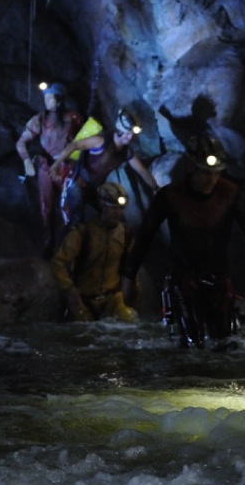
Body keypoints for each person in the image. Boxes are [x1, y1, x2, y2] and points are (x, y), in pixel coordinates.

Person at [120, 134, 245, 349]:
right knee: (193, 343)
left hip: (219, 280)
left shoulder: (229, 194)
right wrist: (129, 277)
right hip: (184, 280)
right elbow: (145, 236)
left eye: (216, 173)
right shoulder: (171, 196)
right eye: (205, 172)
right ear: (191, 167)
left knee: (227, 344)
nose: (211, 180)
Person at [51, 108, 159, 226]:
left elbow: (142, 171)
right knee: (76, 220)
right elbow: (75, 145)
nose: (129, 137)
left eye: (132, 135)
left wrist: (156, 188)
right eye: (127, 134)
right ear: (119, 130)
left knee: (113, 218)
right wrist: (56, 165)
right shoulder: (101, 141)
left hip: (95, 187)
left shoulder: (125, 152)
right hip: (78, 181)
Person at [50, 182, 138, 323]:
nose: (118, 213)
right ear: (103, 207)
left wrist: (133, 294)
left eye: (121, 208)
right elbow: (58, 262)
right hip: (84, 298)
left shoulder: (126, 234)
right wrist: (70, 291)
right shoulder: (83, 233)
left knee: (129, 321)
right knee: (83, 328)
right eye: (113, 208)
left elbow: (131, 268)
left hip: (113, 298)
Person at [16, 82, 83, 254]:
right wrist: (26, 160)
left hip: (66, 167)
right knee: (46, 206)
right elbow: (21, 142)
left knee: (67, 206)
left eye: (50, 98)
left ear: (59, 100)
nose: (47, 101)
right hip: (46, 166)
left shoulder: (73, 117)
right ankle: (48, 240)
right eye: (45, 98)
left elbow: (83, 139)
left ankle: (68, 243)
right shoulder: (40, 119)